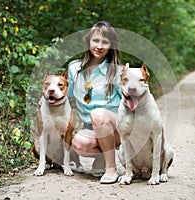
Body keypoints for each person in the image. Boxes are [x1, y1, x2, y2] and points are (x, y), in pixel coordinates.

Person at [67, 21, 123, 184]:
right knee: (79, 142)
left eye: (105, 42)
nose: (99, 46)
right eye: (95, 40)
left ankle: (111, 168)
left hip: (116, 127)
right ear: (88, 41)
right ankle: (101, 158)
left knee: (97, 114)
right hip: (89, 128)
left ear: (111, 46)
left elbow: (131, 105)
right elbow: (66, 97)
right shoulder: (74, 69)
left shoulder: (118, 72)